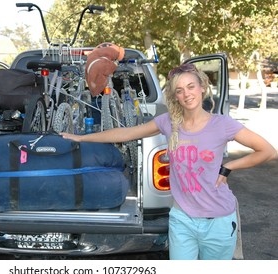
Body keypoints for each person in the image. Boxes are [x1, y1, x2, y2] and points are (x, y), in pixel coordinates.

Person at [61, 63, 278, 260]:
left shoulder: (223, 124)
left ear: (202, 87)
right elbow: (126, 133)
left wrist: (229, 166)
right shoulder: (169, 122)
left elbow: (268, 151)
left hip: (218, 220)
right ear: (175, 96)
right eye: (180, 90)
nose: (187, 94)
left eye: (191, 86)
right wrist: (81, 137)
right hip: (182, 219)